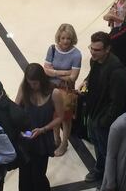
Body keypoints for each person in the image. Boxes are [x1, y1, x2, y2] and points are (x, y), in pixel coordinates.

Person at [83, 32, 126, 184]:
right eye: (91, 48)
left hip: (103, 117)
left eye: (97, 50)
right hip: (94, 110)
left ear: (107, 49)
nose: (92, 52)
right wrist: (86, 81)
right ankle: (100, 169)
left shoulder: (116, 71)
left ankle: (109, 179)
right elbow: (92, 77)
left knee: (107, 150)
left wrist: (104, 121)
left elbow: (116, 103)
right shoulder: (95, 61)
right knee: (97, 144)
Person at [14, 63, 63, 191]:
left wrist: (43, 129)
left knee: (38, 176)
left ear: (41, 80)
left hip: (42, 139)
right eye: (30, 83)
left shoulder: (54, 93)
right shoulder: (24, 88)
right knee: (24, 176)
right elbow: (15, 109)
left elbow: (60, 117)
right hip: (25, 138)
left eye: (35, 83)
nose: (32, 86)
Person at [43, 23, 82, 156]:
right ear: (58, 38)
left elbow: (73, 77)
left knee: (65, 119)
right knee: (53, 115)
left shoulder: (76, 54)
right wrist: (64, 72)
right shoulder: (52, 49)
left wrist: (53, 72)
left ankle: (64, 142)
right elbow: (45, 70)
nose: (65, 41)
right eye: (63, 38)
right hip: (52, 88)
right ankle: (56, 139)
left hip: (66, 91)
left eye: (68, 38)